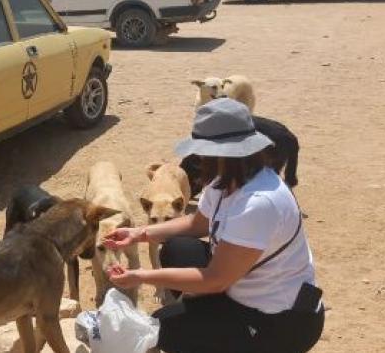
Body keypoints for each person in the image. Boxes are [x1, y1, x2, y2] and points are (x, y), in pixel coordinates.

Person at [103, 98, 325, 353]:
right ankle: (207, 320)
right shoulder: (227, 180)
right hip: (241, 286)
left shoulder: (258, 203)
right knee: (177, 249)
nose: (197, 159)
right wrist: (139, 234)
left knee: (165, 330)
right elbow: (197, 224)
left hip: (280, 320)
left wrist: (141, 276)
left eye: (202, 152)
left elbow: (215, 280)